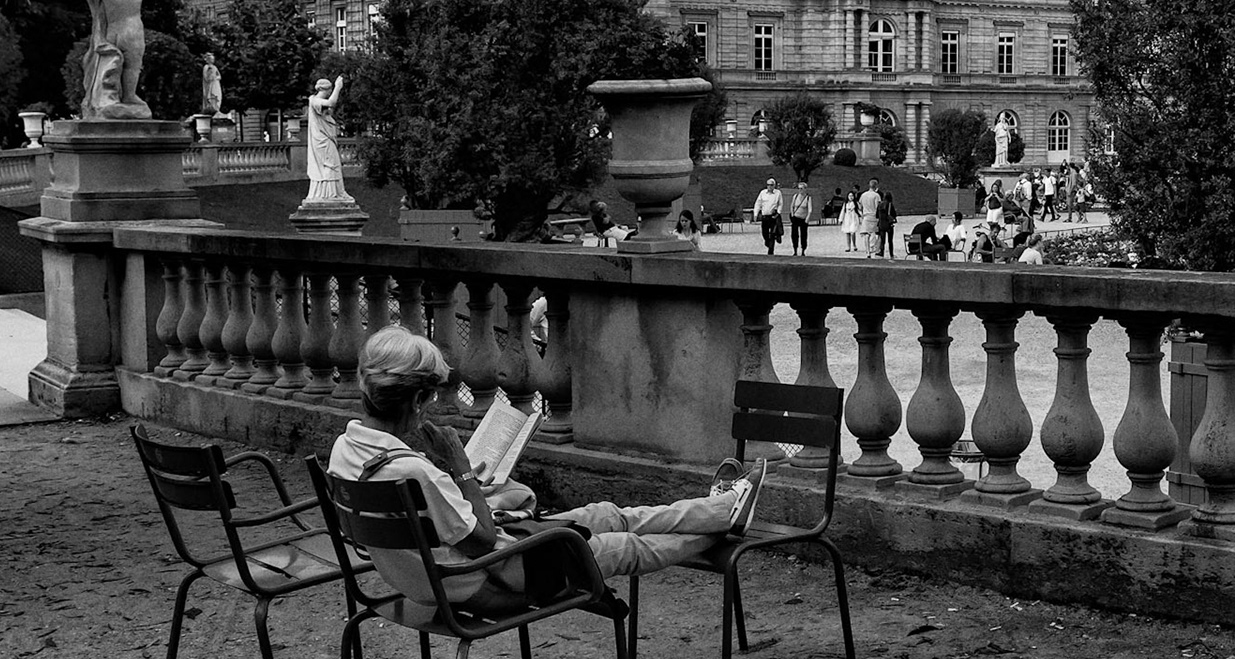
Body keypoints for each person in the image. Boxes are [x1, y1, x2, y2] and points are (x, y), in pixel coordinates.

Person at [327, 327, 769, 611]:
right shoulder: (412, 472)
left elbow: (453, 529)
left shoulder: (346, 451)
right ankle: (723, 524)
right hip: (490, 580)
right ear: (418, 401)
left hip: (430, 581)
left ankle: (722, 509)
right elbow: (481, 543)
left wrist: (457, 481)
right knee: (624, 545)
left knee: (605, 514)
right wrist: (460, 470)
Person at [304, 76, 352, 204]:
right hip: (321, 141)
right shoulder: (315, 101)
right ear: (328, 89)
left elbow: (328, 110)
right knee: (330, 164)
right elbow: (331, 103)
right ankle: (329, 194)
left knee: (334, 164)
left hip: (325, 139)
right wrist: (338, 87)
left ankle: (336, 192)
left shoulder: (318, 102)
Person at [752, 177, 785, 255]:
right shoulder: (763, 193)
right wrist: (755, 214)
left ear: (774, 186)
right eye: (768, 185)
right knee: (765, 233)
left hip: (773, 216)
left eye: (771, 185)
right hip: (765, 216)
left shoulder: (778, 193)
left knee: (773, 233)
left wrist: (778, 212)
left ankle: (771, 250)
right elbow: (758, 203)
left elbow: (780, 203)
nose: (770, 186)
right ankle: (768, 242)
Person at [787, 180, 815, 255]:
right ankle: (795, 249)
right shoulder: (795, 196)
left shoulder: (808, 198)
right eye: (799, 188)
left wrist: (807, 218)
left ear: (805, 189)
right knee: (794, 234)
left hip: (803, 218)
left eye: (802, 189)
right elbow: (792, 206)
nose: (800, 190)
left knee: (804, 235)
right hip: (796, 217)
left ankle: (803, 249)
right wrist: (792, 215)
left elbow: (810, 209)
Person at [857, 181, 884, 257]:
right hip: (874, 216)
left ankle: (867, 251)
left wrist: (862, 213)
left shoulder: (863, 195)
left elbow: (860, 206)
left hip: (866, 216)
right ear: (876, 186)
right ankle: (875, 248)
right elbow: (877, 207)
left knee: (866, 234)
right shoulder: (876, 195)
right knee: (877, 234)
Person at [875, 184, 898, 257]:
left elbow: (876, 215)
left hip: (881, 224)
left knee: (882, 240)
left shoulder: (880, 204)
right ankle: (891, 254)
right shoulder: (890, 205)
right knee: (890, 240)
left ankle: (882, 252)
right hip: (889, 224)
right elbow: (894, 214)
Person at [840, 186, 862, 252]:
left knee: (852, 232)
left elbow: (859, 210)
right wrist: (841, 219)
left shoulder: (856, 203)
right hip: (847, 219)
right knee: (847, 232)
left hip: (853, 218)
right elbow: (843, 211)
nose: (851, 197)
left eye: (852, 196)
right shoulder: (845, 204)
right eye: (849, 196)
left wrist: (861, 216)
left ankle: (854, 245)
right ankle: (848, 246)